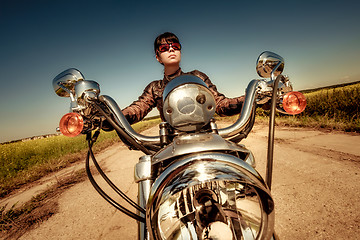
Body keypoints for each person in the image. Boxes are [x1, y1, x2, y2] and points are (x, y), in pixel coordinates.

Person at [122, 32, 244, 125]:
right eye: (164, 48)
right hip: (172, 142)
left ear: (180, 51)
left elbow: (220, 104)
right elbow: (138, 109)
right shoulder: (154, 88)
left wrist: (252, 98)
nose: (171, 49)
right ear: (158, 57)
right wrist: (111, 117)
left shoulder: (197, 76)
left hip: (205, 136)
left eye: (175, 46)